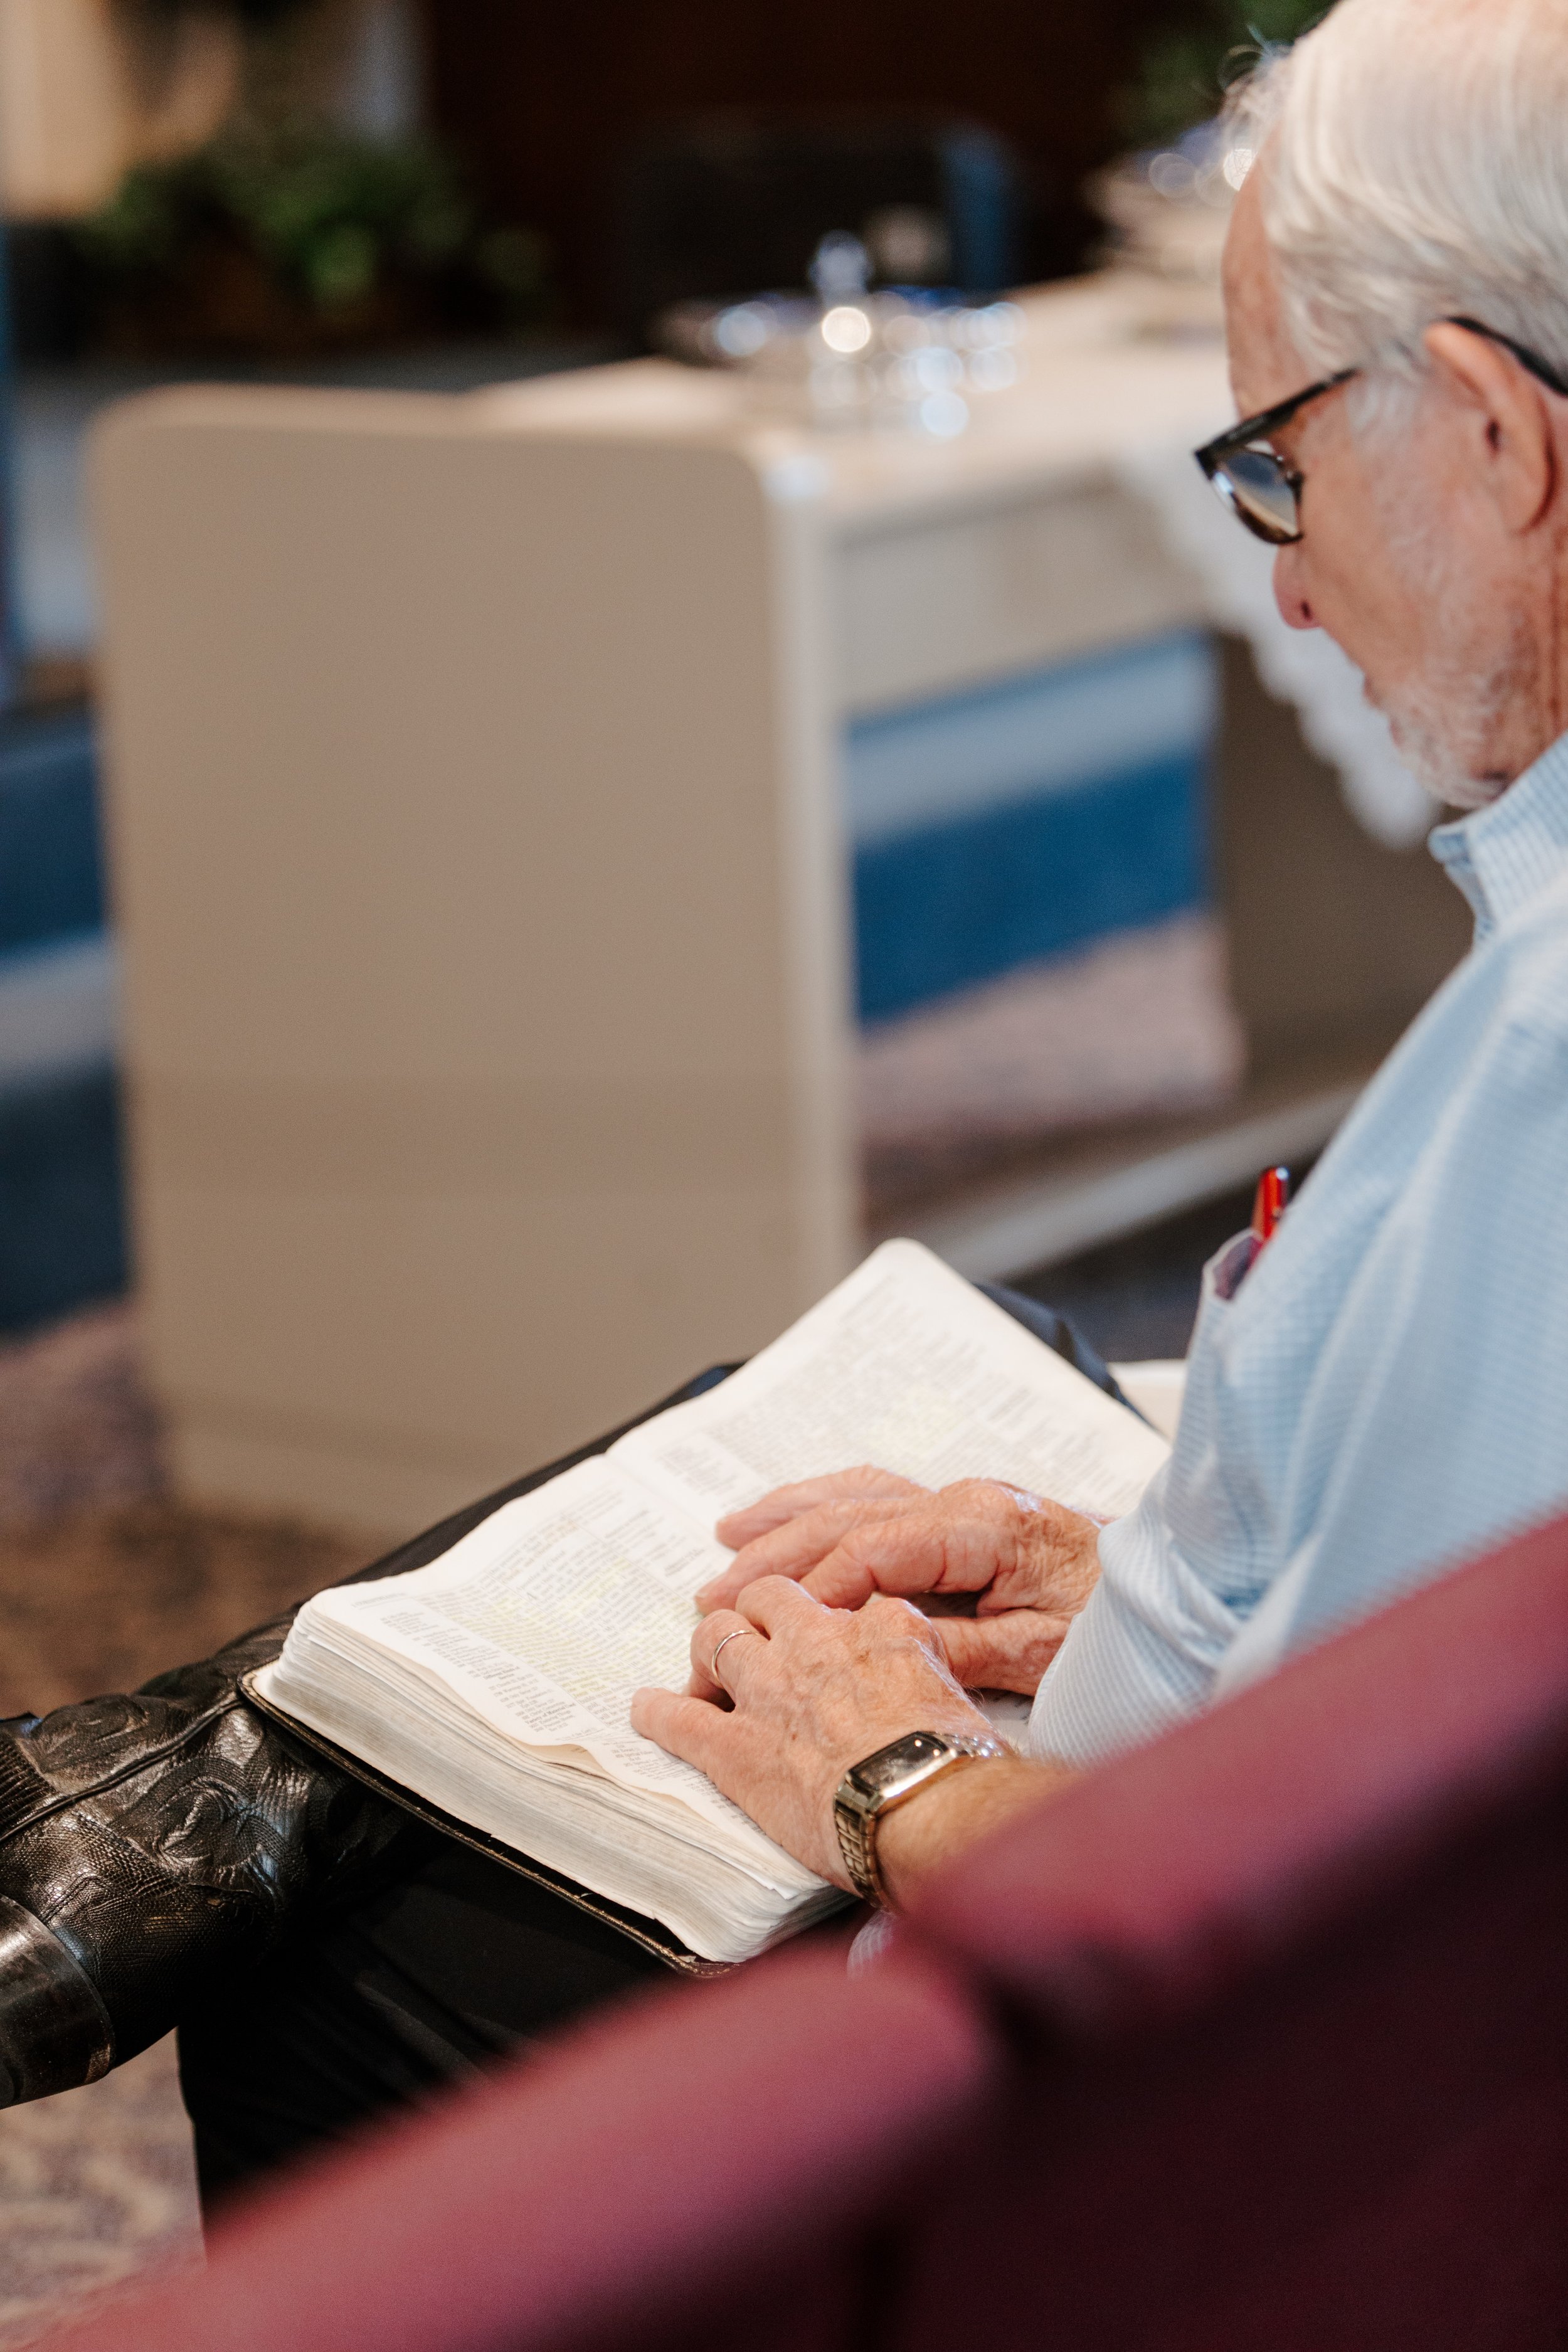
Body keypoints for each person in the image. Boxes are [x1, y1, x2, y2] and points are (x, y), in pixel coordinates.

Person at [4, 0, 1568, 2203]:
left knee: (354, 1951)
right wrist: (1117, 1559)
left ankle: (177, 1791)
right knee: (787, 1447)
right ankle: (180, 1775)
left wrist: (890, 1780)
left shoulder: (1535, 1077)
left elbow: (1311, 1932)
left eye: (1281, 467)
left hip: (1178, 2082)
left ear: (1499, 435)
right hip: (1247, 1818)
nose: (1284, 583)